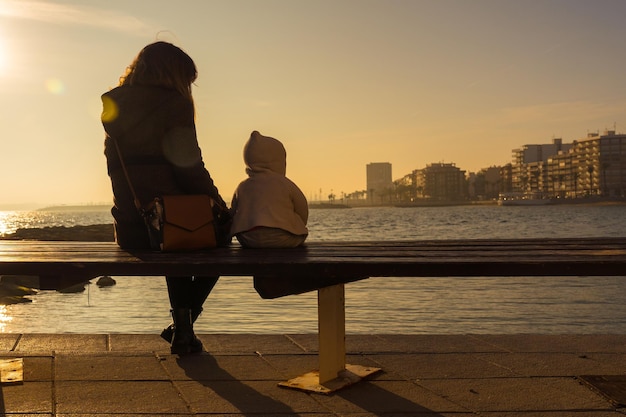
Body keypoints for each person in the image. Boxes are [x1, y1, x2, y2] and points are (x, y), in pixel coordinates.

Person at [101, 41, 229, 355]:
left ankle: (183, 330)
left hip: (132, 229)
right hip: (166, 227)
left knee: (176, 231)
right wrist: (221, 205)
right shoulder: (175, 105)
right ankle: (183, 327)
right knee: (220, 233)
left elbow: (116, 171)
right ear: (174, 76)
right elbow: (190, 169)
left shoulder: (113, 107)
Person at [230, 131, 308, 248]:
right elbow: (302, 208)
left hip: (248, 239)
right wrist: (299, 225)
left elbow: (233, 211)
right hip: (282, 238)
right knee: (301, 234)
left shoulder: (242, 187)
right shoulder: (284, 183)